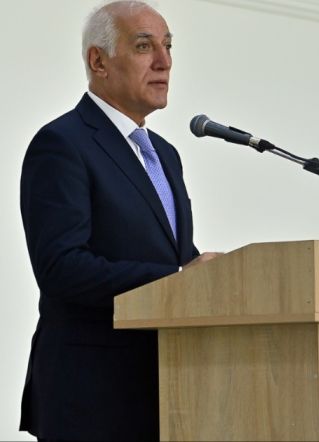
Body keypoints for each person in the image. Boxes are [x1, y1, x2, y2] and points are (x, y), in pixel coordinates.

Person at [18, 1, 220, 440]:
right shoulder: (62, 144)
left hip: (167, 390)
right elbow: (61, 268)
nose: (164, 61)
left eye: (168, 46)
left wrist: (207, 276)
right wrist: (178, 278)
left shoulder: (165, 154)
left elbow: (172, 255)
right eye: (145, 46)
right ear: (99, 61)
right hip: (92, 397)